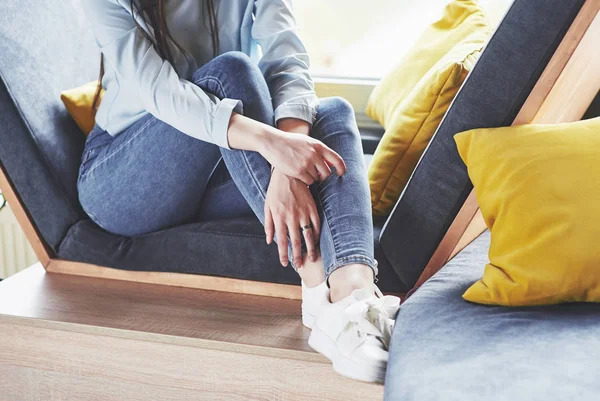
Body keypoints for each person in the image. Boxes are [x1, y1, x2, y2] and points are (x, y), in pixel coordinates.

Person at [80, 0, 397, 383]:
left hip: (214, 165)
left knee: (332, 114)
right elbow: (158, 91)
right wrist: (274, 146)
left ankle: (351, 295)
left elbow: (286, 58)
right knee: (232, 70)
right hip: (123, 180)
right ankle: (314, 276)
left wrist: (286, 162)